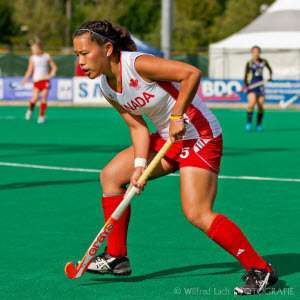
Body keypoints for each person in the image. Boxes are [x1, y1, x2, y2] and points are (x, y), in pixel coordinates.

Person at [73, 20, 278, 295]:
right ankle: (117, 257)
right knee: (111, 176)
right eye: (77, 56)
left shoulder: (137, 64)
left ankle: (261, 270)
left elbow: (191, 73)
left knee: (196, 212)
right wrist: (139, 167)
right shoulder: (107, 87)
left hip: (200, 134)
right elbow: (137, 127)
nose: (81, 61)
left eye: (85, 54)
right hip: (166, 138)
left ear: (107, 48)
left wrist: (178, 114)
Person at [23, 42, 57, 123]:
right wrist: (25, 79)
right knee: (35, 98)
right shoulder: (32, 58)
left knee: (44, 97)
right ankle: (30, 110)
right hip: (36, 80)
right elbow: (30, 70)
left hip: (45, 79)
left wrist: (53, 72)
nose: (33, 51)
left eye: (34, 49)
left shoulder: (47, 56)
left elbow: (54, 66)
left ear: (39, 49)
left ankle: (41, 116)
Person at [244, 46, 272, 132]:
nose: (256, 53)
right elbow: (245, 75)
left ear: (259, 53)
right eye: (254, 52)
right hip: (252, 85)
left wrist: (270, 77)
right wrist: (246, 84)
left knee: (260, 106)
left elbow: (270, 70)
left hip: (260, 86)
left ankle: (258, 125)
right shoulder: (249, 63)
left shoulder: (263, 61)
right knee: (251, 104)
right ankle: (249, 123)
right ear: (252, 53)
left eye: (257, 52)